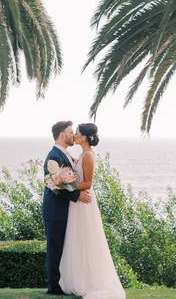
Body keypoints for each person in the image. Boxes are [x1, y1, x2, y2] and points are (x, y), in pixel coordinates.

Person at [58, 122, 125, 299]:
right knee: (77, 237)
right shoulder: (81, 155)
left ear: (86, 137)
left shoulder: (88, 156)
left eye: (78, 133)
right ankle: (80, 278)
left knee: (87, 237)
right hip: (78, 201)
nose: (75, 136)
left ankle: (91, 280)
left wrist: (66, 186)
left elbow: (88, 183)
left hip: (84, 200)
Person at [42, 121, 92, 295]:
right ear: (63, 134)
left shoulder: (66, 154)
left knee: (63, 247)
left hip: (65, 210)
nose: (73, 135)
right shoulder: (53, 157)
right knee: (55, 248)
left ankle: (64, 282)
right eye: (71, 132)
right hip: (55, 211)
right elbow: (54, 186)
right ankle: (53, 286)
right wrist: (77, 195)